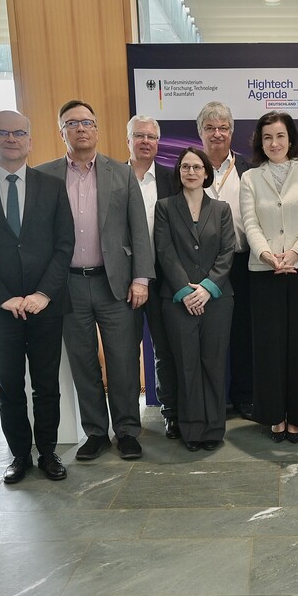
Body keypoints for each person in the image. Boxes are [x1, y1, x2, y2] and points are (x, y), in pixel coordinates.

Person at [35, 100, 154, 461]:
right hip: (68, 285)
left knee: (122, 360)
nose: (81, 129)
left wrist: (141, 279)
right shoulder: (45, 176)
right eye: (72, 123)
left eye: (87, 122)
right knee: (82, 359)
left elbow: (139, 231)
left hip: (114, 283)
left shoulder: (121, 173)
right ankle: (96, 432)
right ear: (62, 132)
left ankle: (128, 430)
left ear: (97, 129)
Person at [0, 110, 74, 483]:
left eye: (19, 133)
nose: (11, 139)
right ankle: (19, 456)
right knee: (9, 386)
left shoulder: (52, 185)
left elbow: (63, 245)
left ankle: (48, 453)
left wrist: (44, 293)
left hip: (45, 305)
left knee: (46, 386)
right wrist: (1, 297)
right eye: (2, 132)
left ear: (30, 140)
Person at [240, 111, 298, 443]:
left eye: (280, 136)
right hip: (264, 272)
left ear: (290, 138)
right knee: (269, 347)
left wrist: (294, 254)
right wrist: (268, 256)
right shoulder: (250, 177)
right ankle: (274, 415)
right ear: (260, 142)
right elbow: (250, 223)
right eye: (267, 137)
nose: (274, 143)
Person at [154, 147, 236, 451]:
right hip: (178, 300)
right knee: (186, 365)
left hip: (217, 300)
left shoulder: (222, 209)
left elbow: (228, 251)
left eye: (197, 167)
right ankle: (192, 431)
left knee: (212, 363)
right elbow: (164, 250)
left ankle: (213, 429)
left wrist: (207, 288)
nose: (191, 172)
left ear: (206, 172)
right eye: (185, 167)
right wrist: (186, 291)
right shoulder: (165, 207)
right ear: (179, 172)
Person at [197, 101, 255, 420]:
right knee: (206, 338)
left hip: (242, 264)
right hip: (201, 268)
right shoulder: (190, 168)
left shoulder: (248, 168)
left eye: (223, 128)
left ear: (232, 132)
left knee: (243, 334)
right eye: (210, 128)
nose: (217, 134)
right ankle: (211, 400)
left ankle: (244, 395)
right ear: (201, 133)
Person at [127, 114, 179, 439]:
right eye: (139, 135)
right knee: (125, 351)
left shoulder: (171, 178)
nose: (146, 141)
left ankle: (170, 413)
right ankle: (128, 420)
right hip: (126, 279)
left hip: (164, 277)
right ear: (128, 140)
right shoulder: (114, 177)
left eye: (151, 136)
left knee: (166, 348)